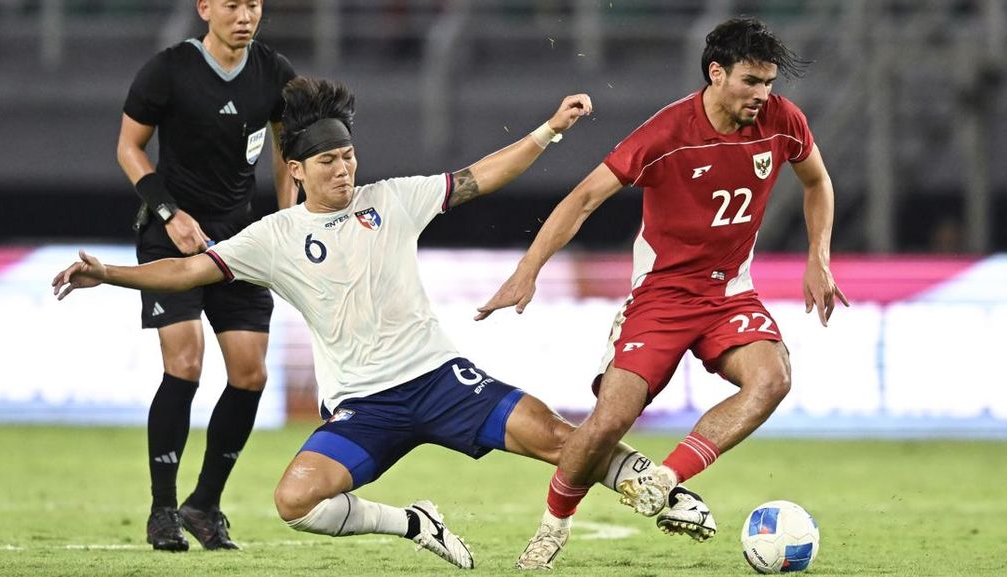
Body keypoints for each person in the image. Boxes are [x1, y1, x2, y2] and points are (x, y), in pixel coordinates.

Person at [53, 76, 714, 569]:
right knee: (296, 502)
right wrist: (108, 273)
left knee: (557, 437)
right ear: (296, 170)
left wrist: (549, 130)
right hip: (364, 405)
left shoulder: (391, 200)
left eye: (348, 156)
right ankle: (413, 523)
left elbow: (480, 177)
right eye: (328, 161)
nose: (344, 168)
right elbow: (186, 271)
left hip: (438, 378)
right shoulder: (273, 236)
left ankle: (663, 488)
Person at [476, 17, 849, 569]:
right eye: (751, 81)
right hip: (661, 297)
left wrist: (818, 257)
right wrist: (527, 270)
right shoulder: (667, 133)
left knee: (773, 378)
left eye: (769, 83)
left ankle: (665, 477)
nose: (762, 95)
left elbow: (817, 181)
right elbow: (583, 198)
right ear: (716, 73)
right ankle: (553, 526)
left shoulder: (782, 120)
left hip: (729, 293)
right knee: (608, 423)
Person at [116, 0, 296, 551]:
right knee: (186, 363)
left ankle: (204, 504)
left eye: (254, 4)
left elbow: (286, 150)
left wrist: (287, 221)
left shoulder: (275, 73)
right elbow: (129, 147)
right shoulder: (168, 69)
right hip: (170, 236)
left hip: (241, 242)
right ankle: (162, 511)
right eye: (232, 4)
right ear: (205, 8)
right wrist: (170, 213)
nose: (245, 15)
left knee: (250, 374)